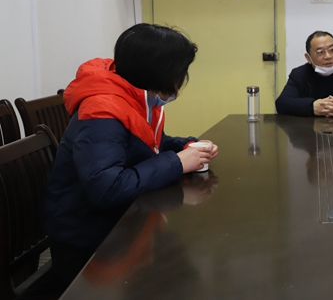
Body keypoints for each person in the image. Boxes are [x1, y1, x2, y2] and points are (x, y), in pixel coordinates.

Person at [44, 23, 219, 291]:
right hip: (91, 244)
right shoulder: (102, 110)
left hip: (119, 226)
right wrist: (177, 162)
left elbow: (145, 144)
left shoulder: (135, 96)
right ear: (159, 72)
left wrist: (187, 146)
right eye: (180, 72)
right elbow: (107, 188)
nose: (181, 81)